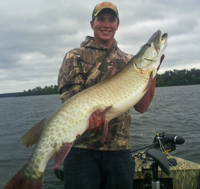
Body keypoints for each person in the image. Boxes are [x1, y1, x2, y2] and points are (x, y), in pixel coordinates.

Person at [57, 2, 164, 189]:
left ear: (117, 25)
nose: (106, 24)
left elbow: (142, 107)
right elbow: (71, 103)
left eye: (111, 20)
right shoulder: (74, 57)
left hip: (119, 151)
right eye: (101, 19)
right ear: (92, 24)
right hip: (82, 152)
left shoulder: (129, 61)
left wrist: (152, 74)